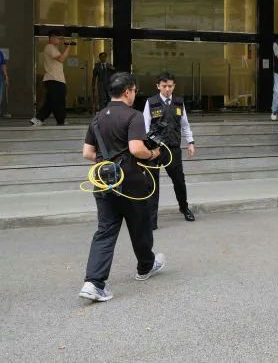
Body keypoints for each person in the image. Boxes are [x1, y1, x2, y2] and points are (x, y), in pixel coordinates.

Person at [79, 72, 165, 302]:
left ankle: (93, 283)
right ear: (127, 91)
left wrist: (108, 160)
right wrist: (152, 153)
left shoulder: (97, 117)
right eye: (134, 91)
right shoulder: (133, 116)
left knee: (105, 230)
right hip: (131, 181)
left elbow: (87, 153)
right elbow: (137, 149)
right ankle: (145, 267)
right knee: (140, 226)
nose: (135, 94)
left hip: (103, 181)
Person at [143, 72, 196, 228]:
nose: (167, 89)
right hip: (154, 150)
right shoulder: (151, 102)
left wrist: (190, 142)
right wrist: (147, 147)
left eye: (170, 86)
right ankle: (151, 219)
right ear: (158, 86)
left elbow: (185, 125)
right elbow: (145, 126)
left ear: (174, 86)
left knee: (179, 181)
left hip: (173, 149)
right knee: (152, 185)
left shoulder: (179, 102)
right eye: (164, 86)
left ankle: (184, 208)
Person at [31, 30, 71, 126]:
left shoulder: (53, 48)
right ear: (52, 37)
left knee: (53, 101)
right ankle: (58, 120)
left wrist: (66, 48)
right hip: (53, 79)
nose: (60, 40)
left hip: (56, 79)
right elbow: (61, 59)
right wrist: (68, 47)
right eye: (58, 38)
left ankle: (42, 119)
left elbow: (59, 59)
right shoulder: (49, 47)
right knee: (56, 101)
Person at [0, 48, 7, 117]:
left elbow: (3, 65)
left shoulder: (0, 53)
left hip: (0, 77)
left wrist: (6, 76)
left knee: (0, 95)